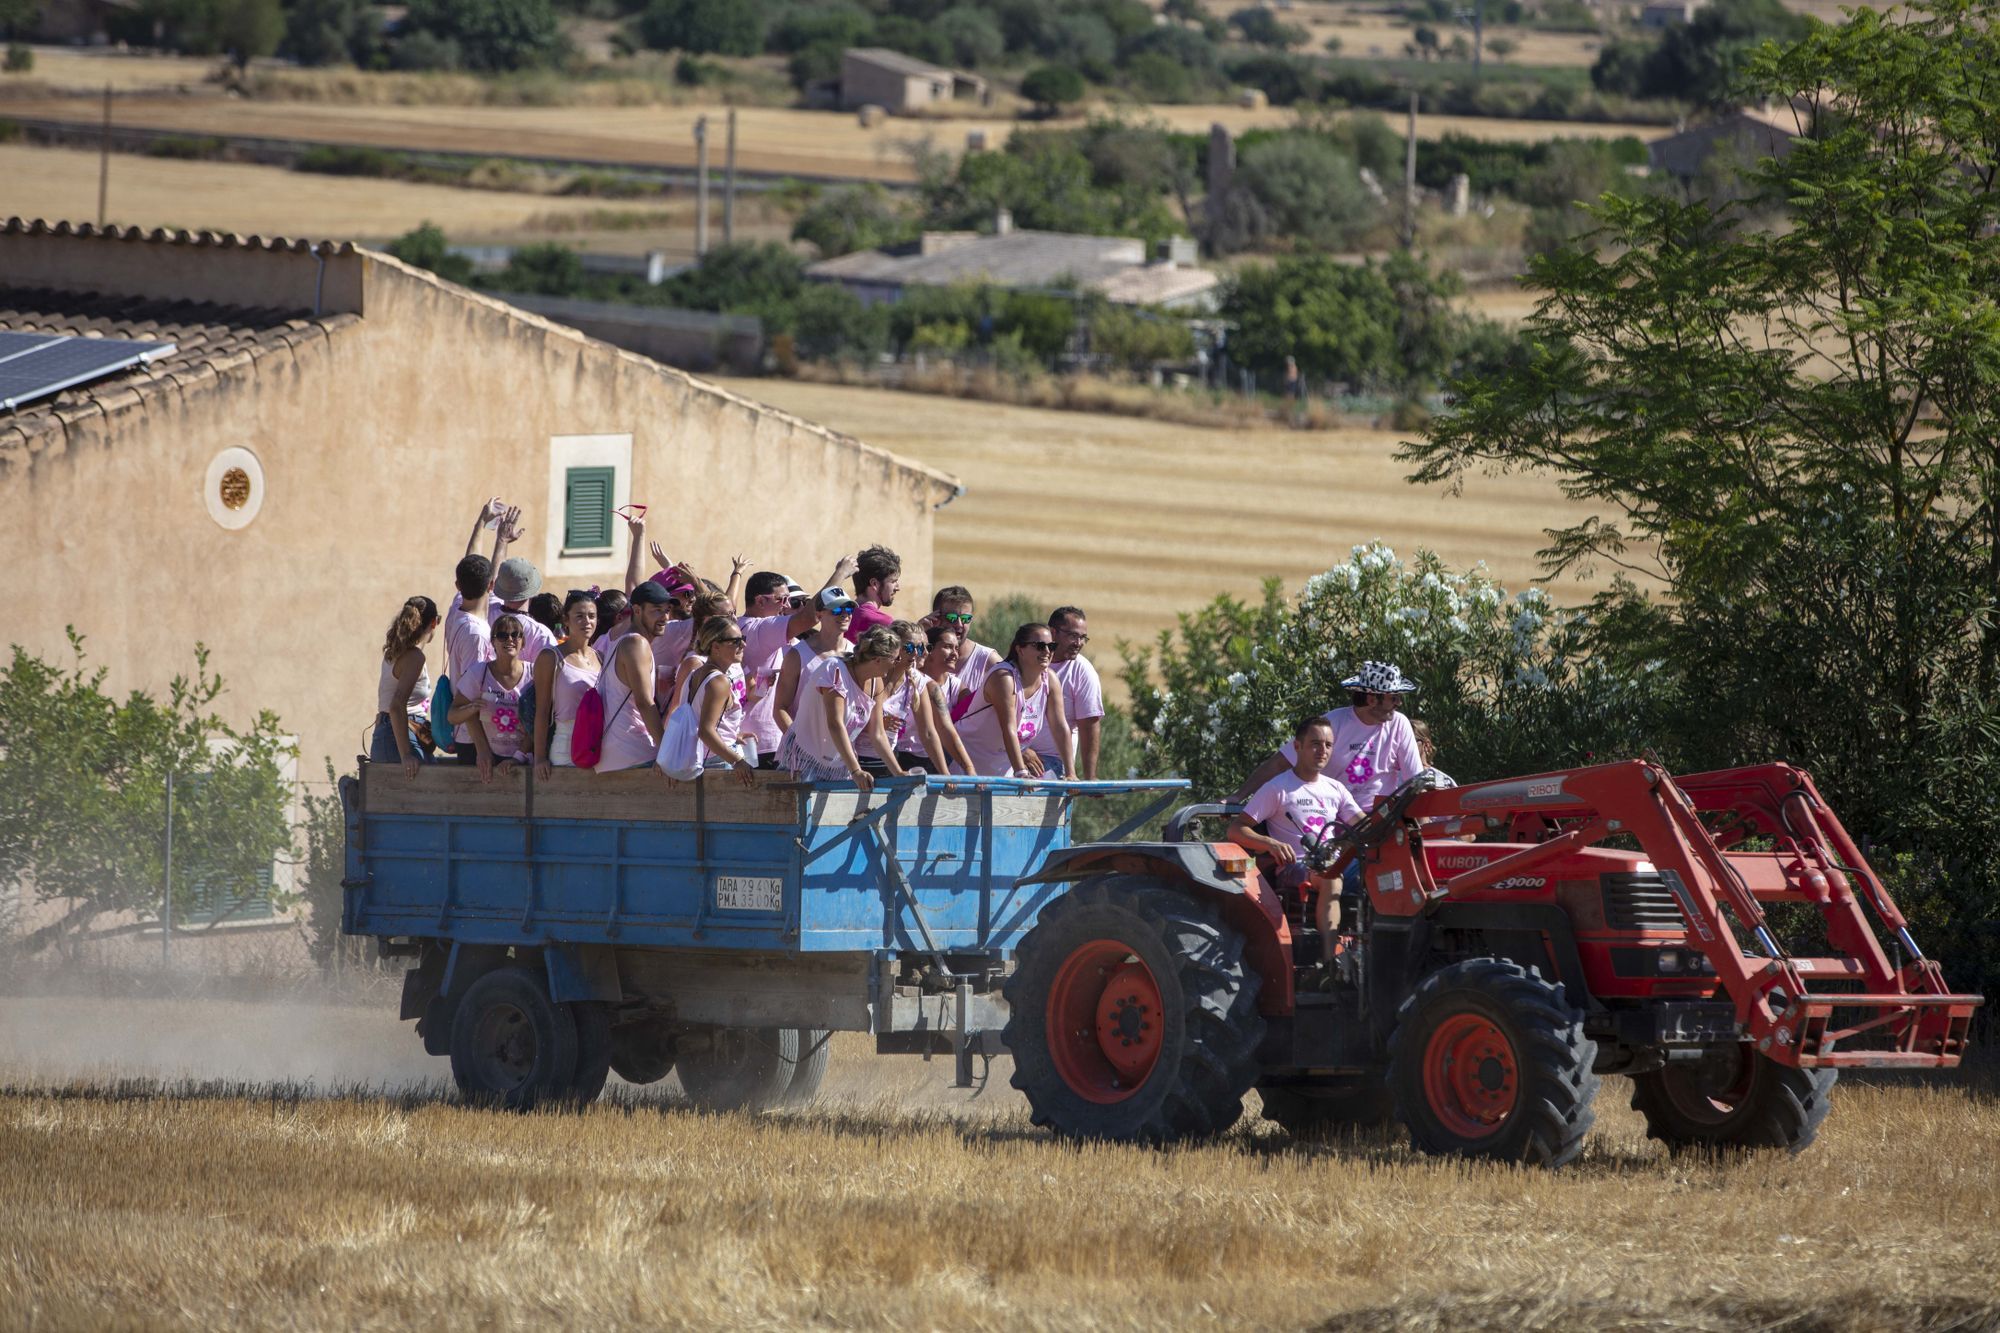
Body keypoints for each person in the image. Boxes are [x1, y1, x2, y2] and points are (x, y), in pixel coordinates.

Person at [1228, 716, 1365, 964]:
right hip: (1294, 867)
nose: (1322, 751)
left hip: (1333, 863)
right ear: (1297, 746)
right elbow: (1237, 830)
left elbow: (1364, 824)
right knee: (1332, 879)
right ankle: (1330, 962)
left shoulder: (1336, 789)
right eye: (1315, 744)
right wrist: (1270, 844)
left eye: (1328, 745)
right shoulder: (1277, 788)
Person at [1229, 660, 1423, 814]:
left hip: (1382, 821)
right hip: (1332, 818)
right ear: (1372, 699)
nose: (1399, 703)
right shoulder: (1332, 723)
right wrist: (1239, 795)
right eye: (1394, 697)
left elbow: (1415, 782)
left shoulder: (1400, 724)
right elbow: (1281, 763)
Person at [738, 556, 857, 770]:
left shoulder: (743, 627)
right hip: (764, 741)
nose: (787, 606)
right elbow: (808, 618)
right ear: (760, 601)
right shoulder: (760, 629)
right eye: (783, 600)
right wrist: (840, 573)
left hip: (759, 739)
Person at [779, 625, 904, 793]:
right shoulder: (835, 669)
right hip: (804, 759)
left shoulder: (876, 683)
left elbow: (878, 734)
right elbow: (835, 723)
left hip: (838, 764)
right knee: (801, 817)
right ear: (878, 660)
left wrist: (898, 773)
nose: (897, 663)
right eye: (895, 658)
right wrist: (856, 770)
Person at [954, 622, 1072, 779]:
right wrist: (1021, 771)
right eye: (1039, 646)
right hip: (964, 762)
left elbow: (1060, 726)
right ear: (1020, 649)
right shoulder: (1004, 678)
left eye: (1051, 646)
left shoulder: (1050, 679)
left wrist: (1071, 773)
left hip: (1001, 768)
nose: (1047, 651)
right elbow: (1009, 728)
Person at [853, 619, 952, 776]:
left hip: (888, 760)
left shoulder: (915, 681)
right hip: (857, 759)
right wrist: (877, 723)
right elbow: (849, 719)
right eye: (909, 647)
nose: (916, 653)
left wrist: (945, 774)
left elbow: (928, 733)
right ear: (895, 647)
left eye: (920, 648)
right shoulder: (874, 673)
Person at [597, 581, 673, 772]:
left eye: (667, 610)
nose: (665, 617)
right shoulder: (636, 644)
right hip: (633, 752)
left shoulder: (622, 639)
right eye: (657, 610)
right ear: (637, 610)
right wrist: (667, 752)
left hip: (618, 753)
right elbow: (644, 702)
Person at [449, 613, 532, 780]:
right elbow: (452, 716)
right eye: (502, 635)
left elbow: (541, 721)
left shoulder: (535, 674)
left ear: (523, 641)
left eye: (515, 634)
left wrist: (518, 757)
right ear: (493, 642)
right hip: (491, 759)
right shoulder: (478, 673)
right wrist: (471, 708)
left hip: (526, 758)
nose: (510, 639)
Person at [679, 614, 756, 786]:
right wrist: (737, 761)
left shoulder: (696, 674)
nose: (743, 644)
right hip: (719, 761)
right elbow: (706, 731)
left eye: (742, 639)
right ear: (715, 646)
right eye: (735, 641)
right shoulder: (719, 681)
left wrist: (732, 735)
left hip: (700, 758)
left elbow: (700, 720)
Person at [1030, 605, 1105, 780]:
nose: (1078, 643)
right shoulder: (1027, 661)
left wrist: (1090, 777)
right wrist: (1021, 750)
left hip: (1051, 762)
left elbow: (1089, 724)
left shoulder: (1083, 671)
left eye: (1083, 638)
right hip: (1014, 755)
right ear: (1053, 632)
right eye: (1073, 636)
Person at [533, 589, 600, 776]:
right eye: (579, 616)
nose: (587, 622)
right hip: (566, 745)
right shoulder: (550, 657)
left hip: (597, 744)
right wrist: (539, 757)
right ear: (566, 620)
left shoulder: (601, 658)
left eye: (592, 616)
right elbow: (542, 710)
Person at [774, 588, 856, 736]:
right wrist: (797, 743)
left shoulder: (856, 654)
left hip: (842, 750)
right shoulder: (797, 655)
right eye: (836, 609)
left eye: (849, 609)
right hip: (803, 750)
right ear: (819, 615)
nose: (845, 614)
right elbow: (780, 707)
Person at [372, 595, 439, 778]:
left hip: (385, 733)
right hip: (401, 734)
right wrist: (406, 755)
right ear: (433, 623)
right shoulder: (415, 658)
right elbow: (396, 705)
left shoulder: (393, 652)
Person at [896, 624, 976, 775]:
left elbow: (945, 730)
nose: (954, 654)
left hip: (932, 756)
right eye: (947, 647)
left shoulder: (935, 686)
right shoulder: (889, 677)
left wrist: (969, 769)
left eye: (956, 648)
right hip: (896, 754)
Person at [923, 585, 1001, 711]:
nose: (959, 624)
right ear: (935, 618)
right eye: (951, 618)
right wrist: (920, 631)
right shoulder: (921, 656)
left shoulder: (988, 660)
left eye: (966, 618)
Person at [845, 545, 901, 642]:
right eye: (893, 581)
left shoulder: (840, 616)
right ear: (874, 584)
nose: (898, 588)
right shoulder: (883, 622)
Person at [1410, 718, 1457, 788]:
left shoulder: (1444, 781)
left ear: (1426, 744)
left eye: (1410, 740)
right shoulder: (1391, 777)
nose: (1404, 745)